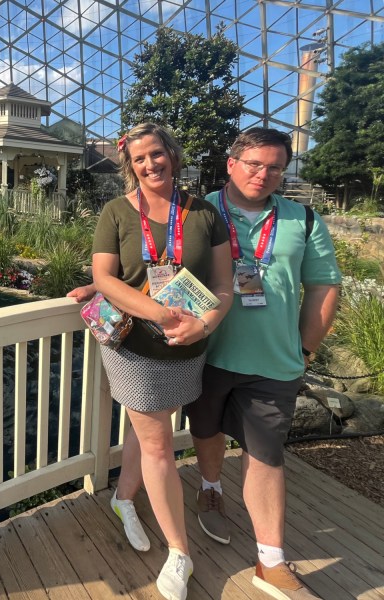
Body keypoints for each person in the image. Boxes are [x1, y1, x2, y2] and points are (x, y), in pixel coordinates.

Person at [185, 128, 341, 600]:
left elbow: (324, 286)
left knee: (266, 455)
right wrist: (102, 285)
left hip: (274, 363)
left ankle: (270, 560)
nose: (264, 174)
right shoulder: (197, 212)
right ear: (231, 163)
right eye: (254, 163)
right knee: (206, 430)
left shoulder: (304, 219)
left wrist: (304, 351)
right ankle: (210, 487)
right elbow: (156, 261)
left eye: (275, 166)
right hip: (207, 354)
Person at [88, 123, 233, 600]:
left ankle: (123, 497)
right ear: (129, 165)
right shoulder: (116, 212)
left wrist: (203, 324)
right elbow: (105, 278)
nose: (149, 164)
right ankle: (180, 552)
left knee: (146, 429)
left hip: (185, 344)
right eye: (139, 158)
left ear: (172, 153)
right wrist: (157, 310)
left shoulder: (204, 214)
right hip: (132, 345)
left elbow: (225, 286)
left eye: (156, 154)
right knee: (158, 444)